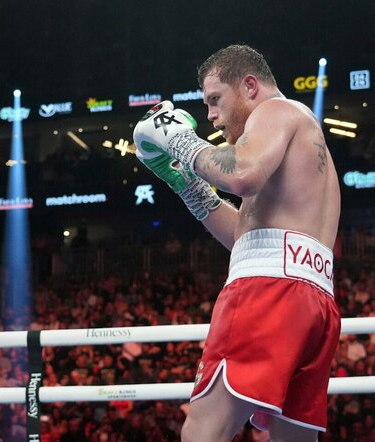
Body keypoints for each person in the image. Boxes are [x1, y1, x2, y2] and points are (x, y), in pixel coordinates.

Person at [133, 44, 341, 441]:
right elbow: (247, 239)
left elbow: (242, 173)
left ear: (249, 86)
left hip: (268, 292)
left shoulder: (277, 111)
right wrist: (188, 186)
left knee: (202, 431)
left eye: (215, 100)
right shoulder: (296, 138)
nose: (210, 115)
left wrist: (178, 140)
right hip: (312, 300)